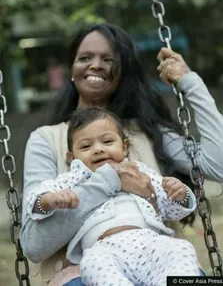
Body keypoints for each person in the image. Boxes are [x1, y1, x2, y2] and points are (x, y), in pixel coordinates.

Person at [20, 23, 223, 286]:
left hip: (159, 262)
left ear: (123, 72)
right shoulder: (47, 139)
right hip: (88, 272)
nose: (95, 65)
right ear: (72, 69)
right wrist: (110, 181)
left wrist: (190, 82)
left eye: (108, 59)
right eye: (85, 58)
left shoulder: (148, 132)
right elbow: (34, 245)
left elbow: (218, 164)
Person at [24, 106, 200, 286]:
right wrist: (48, 200)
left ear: (124, 147)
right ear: (71, 158)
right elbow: (35, 197)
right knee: (92, 264)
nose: (98, 149)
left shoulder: (139, 172)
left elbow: (170, 209)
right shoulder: (73, 180)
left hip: (149, 243)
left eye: (107, 142)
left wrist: (180, 195)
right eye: (86, 146)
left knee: (181, 249)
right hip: (103, 249)